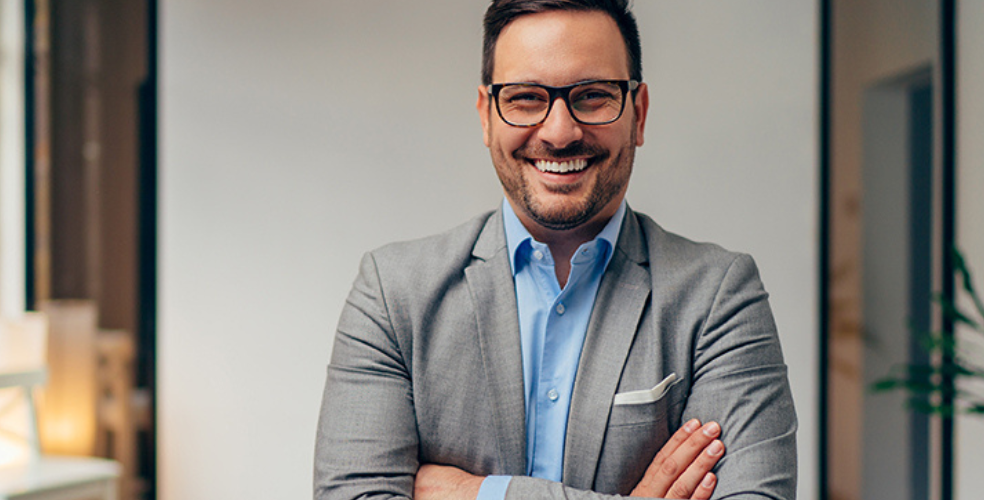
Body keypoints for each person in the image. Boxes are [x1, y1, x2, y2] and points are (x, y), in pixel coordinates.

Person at [314, 0, 798, 498]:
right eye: (525, 98)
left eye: (592, 96)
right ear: (486, 116)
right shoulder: (393, 294)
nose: (560, 132)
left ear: (639, 114)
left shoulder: (720, 295)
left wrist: (476, 492)